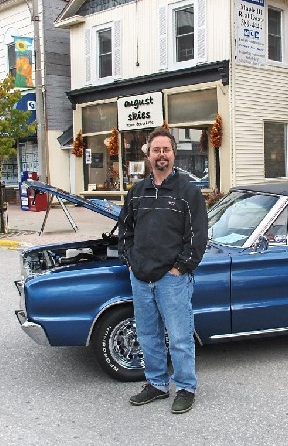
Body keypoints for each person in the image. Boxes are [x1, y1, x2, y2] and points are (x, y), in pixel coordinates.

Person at [118, 127, 208, 414]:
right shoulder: (137, 192)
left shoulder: (188, 192)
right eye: (156, 150)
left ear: (173, 154)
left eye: (166, 150)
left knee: (180, 337)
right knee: (148, 335)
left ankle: (185, 387)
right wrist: (131, 261)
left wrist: (179, 269)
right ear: (148, 155)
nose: (161, 155)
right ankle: (157, 384)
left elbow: (198, 237)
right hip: (141, 279)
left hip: (172, 280)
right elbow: (125, 230)